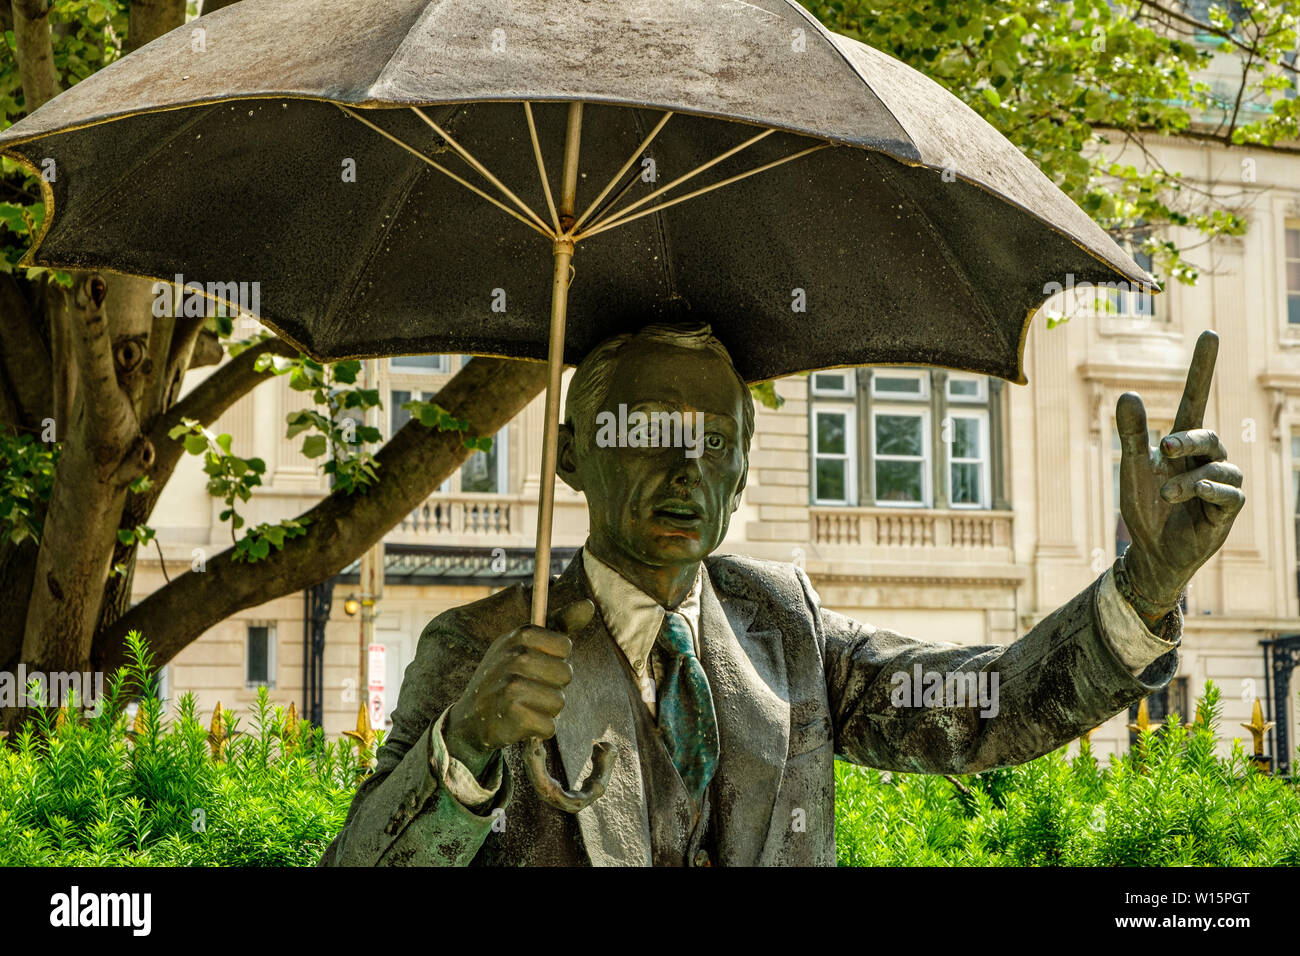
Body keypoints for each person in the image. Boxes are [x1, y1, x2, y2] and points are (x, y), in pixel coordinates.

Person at [320, 322, 1243, 866]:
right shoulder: (473, 649)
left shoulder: (786, 628)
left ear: (742, 472)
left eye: (715, 442)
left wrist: (1143, 585)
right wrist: (467, 746)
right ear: (572, 456)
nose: (687, 469)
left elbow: (984, 705)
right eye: (650, 432)